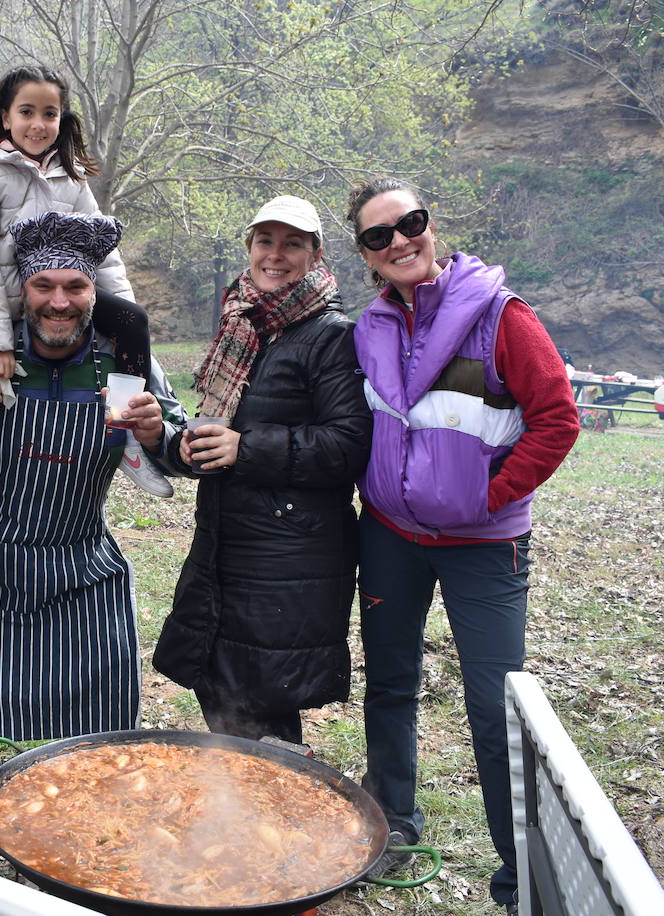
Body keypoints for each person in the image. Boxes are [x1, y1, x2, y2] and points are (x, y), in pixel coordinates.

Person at [344, 177, 579, 913]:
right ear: (366, 256)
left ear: (430, 224)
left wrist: (489, 494)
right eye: (379, 235)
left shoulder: (502, 316)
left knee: (493, 704)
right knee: (388, 685)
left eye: (408, 223)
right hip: (389, 535)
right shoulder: (371, 327)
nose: (399, 242)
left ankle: (518, 878)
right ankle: (394, 825)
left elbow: (557, 419)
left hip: (485, 545)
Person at [0, 210, 184, 846]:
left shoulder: (124, 361)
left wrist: (156, 432)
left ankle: (93, 784)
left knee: (101, 683)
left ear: (95, 292)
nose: (60, 302)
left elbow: (177, 441)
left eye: (75, 287)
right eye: (45, 288)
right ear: (24, 291)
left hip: (79, 553)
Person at [0, 64, 172, 586]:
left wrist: (123, 325)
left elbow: (103, 256)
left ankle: (129, 437)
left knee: (133, 319)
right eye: (27, 112)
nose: (39, 123)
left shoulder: (71, 178)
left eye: (50, 112)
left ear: (62, 118)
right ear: (6, 116)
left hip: (59, 296)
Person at [152, 196, 371, 745]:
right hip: (225, 539)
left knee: (263, 699)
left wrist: (245, 449)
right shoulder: (243, 324)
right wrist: (174, 444)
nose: (276, 255)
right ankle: (246, 813)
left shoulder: (332, 335)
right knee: (222, 686)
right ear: (249, 248)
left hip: (289, 552)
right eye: (265, 242)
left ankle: (279, 818)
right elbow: (217, 429)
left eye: (292, 243)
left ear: (316, 254)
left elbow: (349, 445)